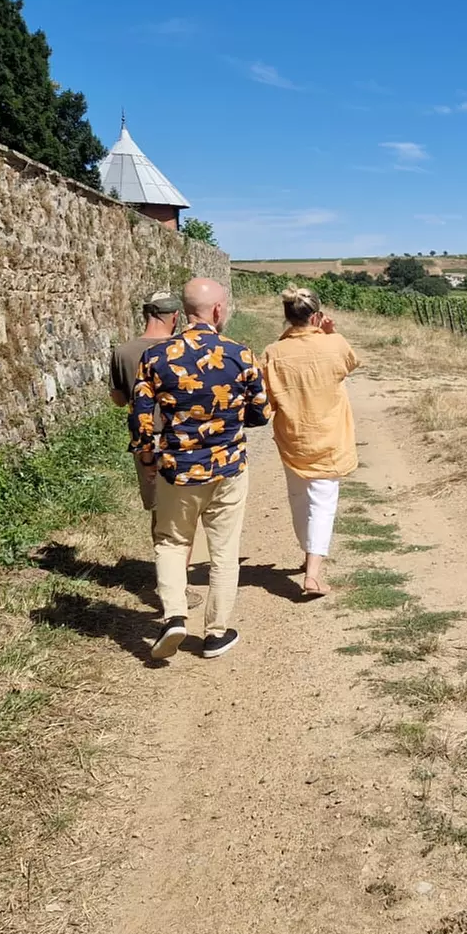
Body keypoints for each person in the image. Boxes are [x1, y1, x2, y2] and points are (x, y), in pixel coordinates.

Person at [129, 278, 268, 660]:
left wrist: (146, 458)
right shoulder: (241, 355)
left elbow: (140, 416)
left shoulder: (156, 356)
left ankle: (174, 614)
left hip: (178, 468)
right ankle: (215, 633)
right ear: (219, 311)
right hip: (228, 468)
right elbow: (261, 413)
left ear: (184, 312)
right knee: (224, 551)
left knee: (172, 543)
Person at [260, 286, 359, 596]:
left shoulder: (273, 352)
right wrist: (330, 332)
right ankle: (313, 574)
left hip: (293, 438)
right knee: (323, 503)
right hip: (329, 437)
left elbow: (265, 399)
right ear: (316, 315)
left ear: (287, 317)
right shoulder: (335, 344)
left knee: (299, 499)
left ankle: (309, 554)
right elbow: (350, 363)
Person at [109, 292, 181, 524]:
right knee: (188, 509)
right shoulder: (184, 348)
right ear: (175, 316)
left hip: (146, 440)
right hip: (184, 438)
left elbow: (119, 400)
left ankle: (166, 557)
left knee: (160, 514)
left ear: (145, 314)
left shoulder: (123, 353)